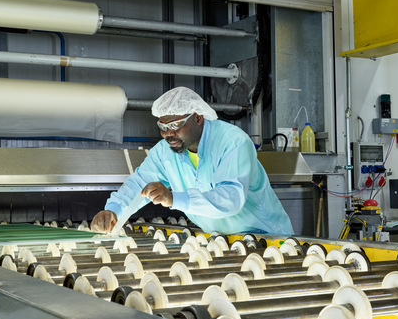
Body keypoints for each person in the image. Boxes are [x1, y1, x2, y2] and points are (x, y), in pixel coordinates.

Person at [91, 87, 293, 236]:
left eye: (176, 124)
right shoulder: (165, 152)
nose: (168, 134)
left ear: (197, 118)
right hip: (220, 240)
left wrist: (174, 198)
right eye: (163, 126)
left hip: (266, 238)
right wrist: (113, 210)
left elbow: (231, 198)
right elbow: (139, 184)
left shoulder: (233, 142)